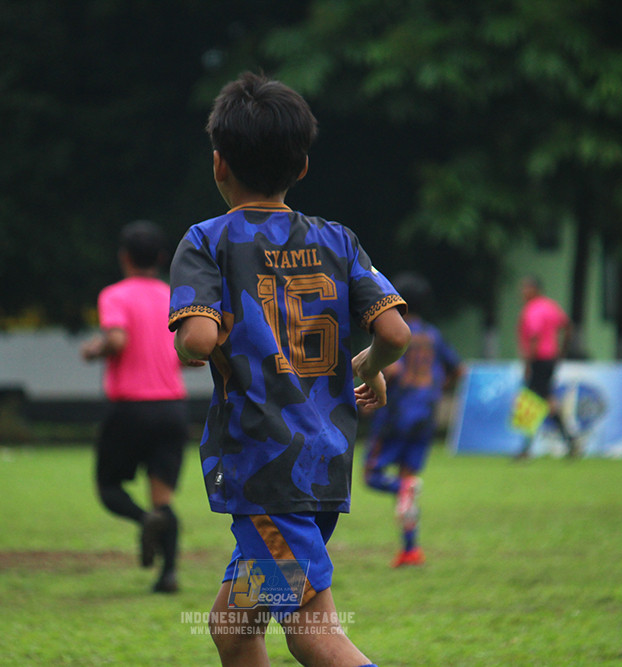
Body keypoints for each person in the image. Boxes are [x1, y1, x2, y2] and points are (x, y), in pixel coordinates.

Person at [169, 71, 410, 667]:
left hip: (267, 473)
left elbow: (196, 340)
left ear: (218, 162)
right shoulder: (338, 240)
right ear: (301, 166)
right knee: (232, 625)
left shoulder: (208, 241)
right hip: (320, 467)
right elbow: (394, 332)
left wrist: (194, 343)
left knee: (310, 631)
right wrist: (367, 365)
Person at [80, 220, 188, 594]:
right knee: (164, 497)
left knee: (109, 486)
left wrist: (94, 349)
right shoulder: (174, 295)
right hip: (172, 409)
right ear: (160, 258)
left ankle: (144, 520)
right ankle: (169, 575)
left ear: (124, 257)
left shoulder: (115, 295)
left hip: (130, 409)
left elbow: (118, 339)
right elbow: (189, 352)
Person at [362, 272, 463, 568]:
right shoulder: (433, 335)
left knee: (373, 476)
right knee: (408, 480)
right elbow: (458, 370)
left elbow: (392, 371)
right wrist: (433, 390)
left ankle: (401, 490)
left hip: (396, 414)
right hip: (425, 416)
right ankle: (410, 549)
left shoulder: (395, 331)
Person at [514, 275, 578, 459]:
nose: (522, 293)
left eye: (525, 288)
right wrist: (562, 351)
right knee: (546, 400)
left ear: (535, 289)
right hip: (550, 359)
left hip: (538, 359)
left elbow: (533, 337)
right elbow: (567, 326)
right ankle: (570, 441)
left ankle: (526, 449)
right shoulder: (551, 306)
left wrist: (528, 363)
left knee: (530, 401)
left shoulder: (532, 309)